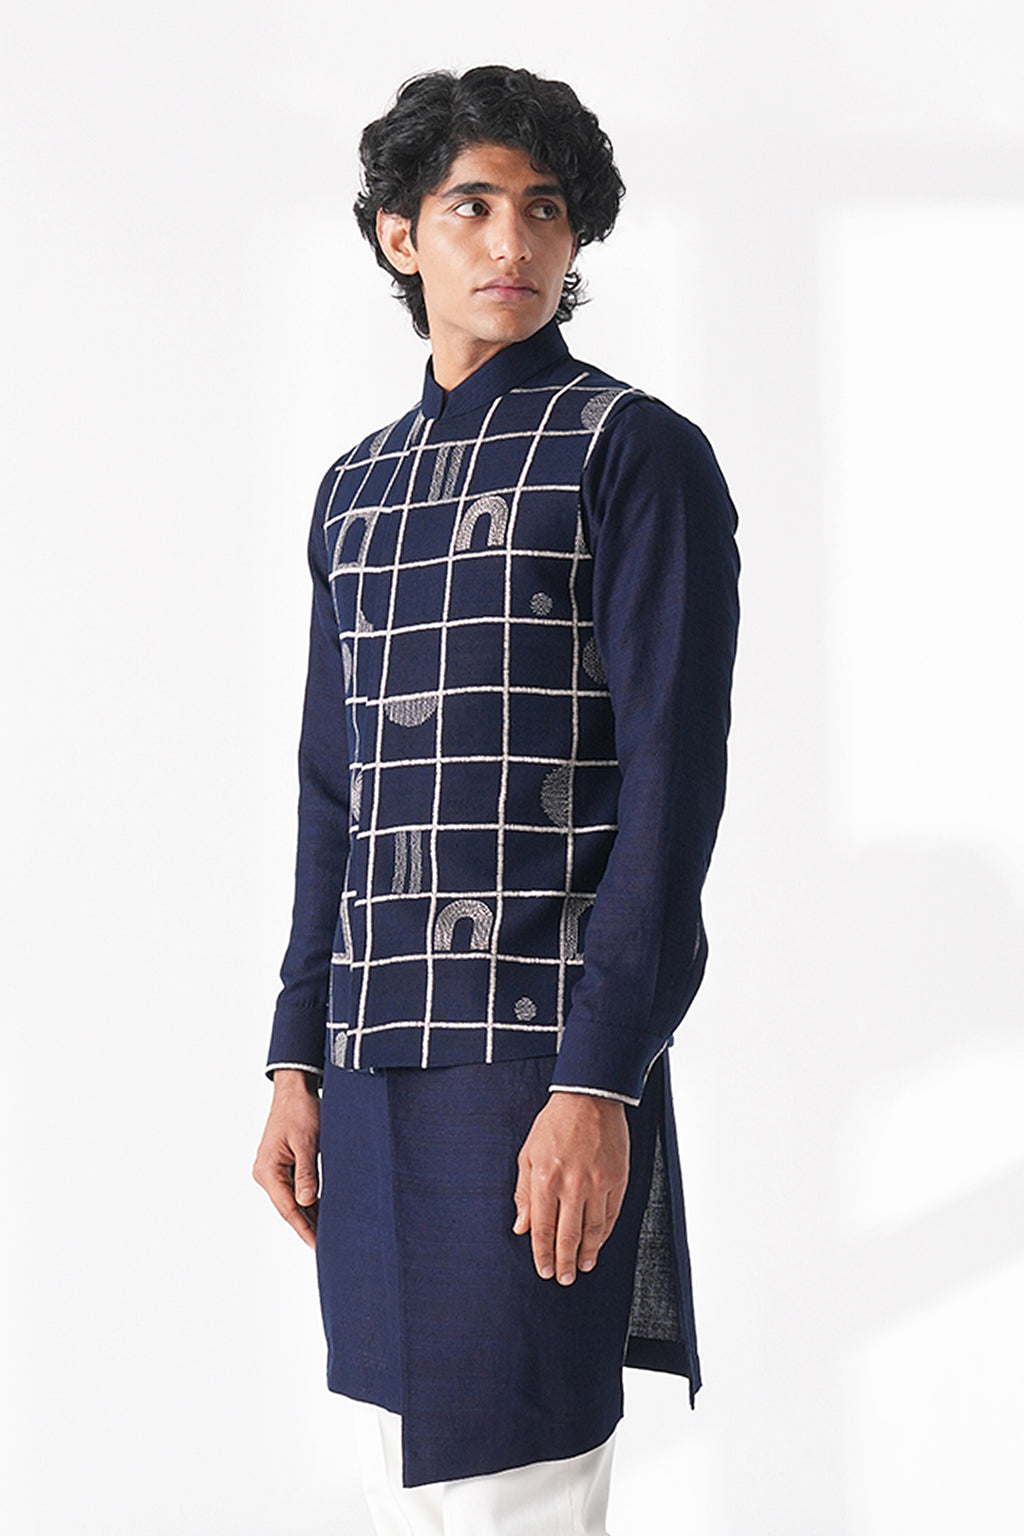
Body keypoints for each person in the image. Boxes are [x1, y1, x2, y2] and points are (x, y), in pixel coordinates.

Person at [253, 63, 740, 1536]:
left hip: (532, 1059)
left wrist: (599, 1082)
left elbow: (671, 793)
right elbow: (335, 790)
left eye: (544, 209)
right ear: (401, 234)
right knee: (399, 1487)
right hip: (367, 1064)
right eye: (472, 207)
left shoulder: (631, 453)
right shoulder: (356, 491)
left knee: (517, 1488)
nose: (512, 242)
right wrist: (293, 1056)